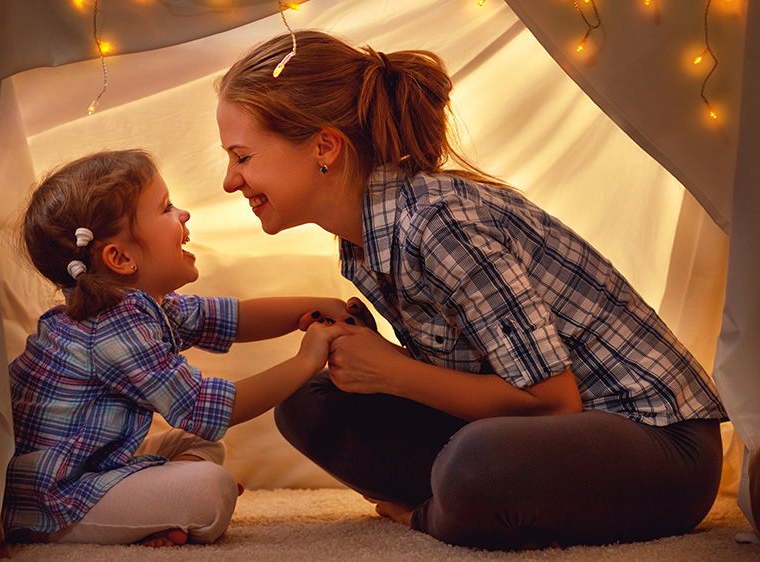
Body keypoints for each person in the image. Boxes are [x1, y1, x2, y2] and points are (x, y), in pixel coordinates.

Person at [215, 31, 728, 550]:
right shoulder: (364, 240)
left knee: (477, 463)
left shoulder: (440, 224)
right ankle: (469, 501)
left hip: (659, 447)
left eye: (242, 157)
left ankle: (435, 514)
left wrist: (393, 372)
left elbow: (552, 403)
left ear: (324, 147)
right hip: (541, 437)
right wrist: (375, 360)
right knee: (307, 401)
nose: (230, 182)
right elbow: (477, 374)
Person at [2, 149, 355, 547]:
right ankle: (132, 512)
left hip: (93, 461)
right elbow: (203, 408)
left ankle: (156, 508)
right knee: (211, 489)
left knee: (196, 445)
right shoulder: (110, 328)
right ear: (120, 258)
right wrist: (308, 360)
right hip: (56, 495)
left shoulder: (140, 307)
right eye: (167, 207)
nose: (183, 214)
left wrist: (311, 308)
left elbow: (232, 318)